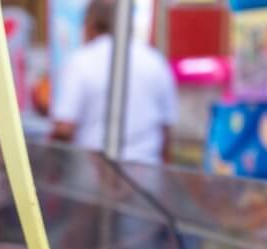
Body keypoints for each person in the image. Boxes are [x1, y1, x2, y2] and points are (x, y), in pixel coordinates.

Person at [51, 0, 177, 163]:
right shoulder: (155, 61)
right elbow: (166, 131)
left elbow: (64, 128)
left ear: (91, 24)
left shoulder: (81, 61)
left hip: (92, 173)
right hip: (147, 173)